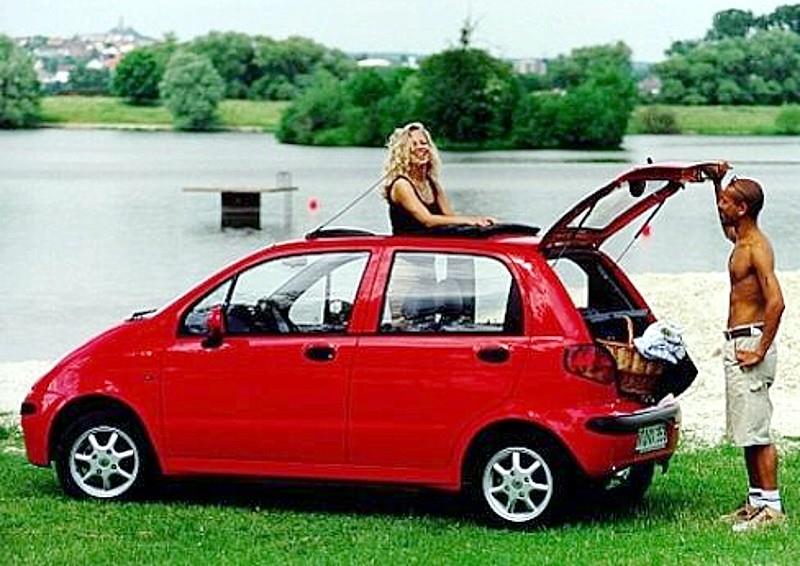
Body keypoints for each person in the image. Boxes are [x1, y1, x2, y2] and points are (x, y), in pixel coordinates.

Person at [711, 167, 786, 532]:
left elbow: (777, 302)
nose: (720, 205)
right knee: (746, 428)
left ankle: (772, 508)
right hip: (736, 340)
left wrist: (760, 350)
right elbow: (724, 225)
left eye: (726, 201)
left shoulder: (757, 248)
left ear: (742, 208)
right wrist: (715, 182)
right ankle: (756, 501)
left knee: (757, 429)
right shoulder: (740, 239)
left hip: (751, 342)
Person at [383, 122, 495, 234]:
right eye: (414, 144)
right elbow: (427, 220)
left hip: (432, 242)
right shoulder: (401, 185)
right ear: (402, 153)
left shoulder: (432, 183)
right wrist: (470, 220)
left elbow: (450, 218)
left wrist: (479, 222)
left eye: (423, 143)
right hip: (408, 244)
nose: (421, 148)